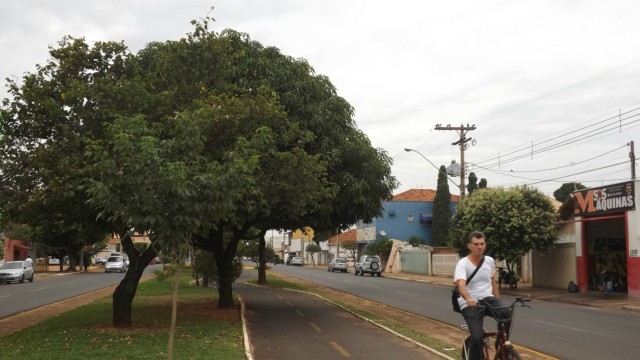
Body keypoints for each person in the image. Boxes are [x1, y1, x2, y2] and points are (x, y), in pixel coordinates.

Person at [454, 230, 511, 360]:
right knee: (477, 337)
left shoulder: (489, 261)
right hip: (470, 303)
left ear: (485, 244)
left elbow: (492, 281)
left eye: (482, 244)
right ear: (469, 246)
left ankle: (501, 343)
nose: (479, 246)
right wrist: (468, 298)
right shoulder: (463, 263)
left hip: (488, 299)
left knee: (507, 312)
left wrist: (498, 301)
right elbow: (461, 285)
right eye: (476, 244)